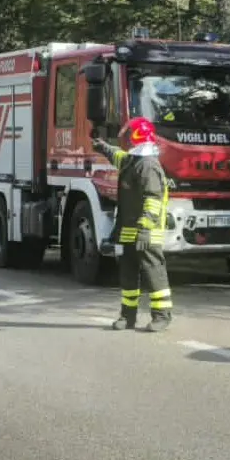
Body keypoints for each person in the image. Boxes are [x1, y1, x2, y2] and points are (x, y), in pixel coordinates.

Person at [91, 117, 173, 332]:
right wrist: (104, 148)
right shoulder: (133, 160)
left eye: (128, 135)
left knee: (153, 272)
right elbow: (118, 157)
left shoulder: (148, 165)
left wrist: (145, 229)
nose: (125, 140)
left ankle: (162, 316)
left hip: (147, 231)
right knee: (128, 275)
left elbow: (153, 199)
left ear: (136, 137)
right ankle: (127, 316)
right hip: (128, 229)